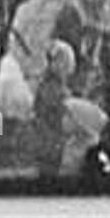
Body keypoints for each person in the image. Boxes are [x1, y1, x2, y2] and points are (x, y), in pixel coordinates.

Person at [33, 39, 76, 178]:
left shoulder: (47, 85)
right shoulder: (54, 89)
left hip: (48, 143)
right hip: (51, 145)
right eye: (65, 64)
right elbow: (60, 116)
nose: (67, 68)